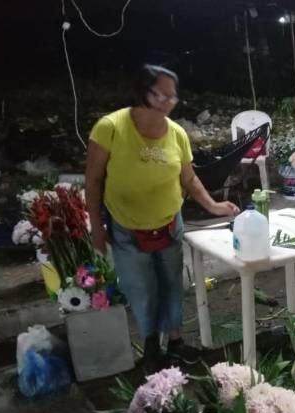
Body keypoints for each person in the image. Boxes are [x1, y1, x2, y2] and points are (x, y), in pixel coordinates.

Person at [85, 64, 239, 371]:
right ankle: (151, 347)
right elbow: (93, 180)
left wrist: (214, 206)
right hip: (127, 227)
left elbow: (189, 178)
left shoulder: (177, 133)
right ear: (143, 90)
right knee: (141, 288)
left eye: (173, 95)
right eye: (161, 94)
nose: (169, 101)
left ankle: (177, 342)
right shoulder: (110, 128)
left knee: (172, 284)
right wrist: (97, 229)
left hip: (169, 224)